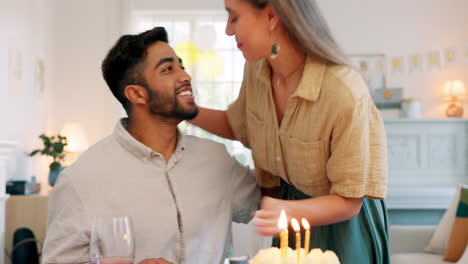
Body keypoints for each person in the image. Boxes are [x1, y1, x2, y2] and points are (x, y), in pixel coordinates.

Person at [190, 0, 391, 263]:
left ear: (272, 16)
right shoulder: (256, 69)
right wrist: (186, 112)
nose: (228, 30)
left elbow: (349, 201)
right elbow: (240, 126)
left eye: (234, 17)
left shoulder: (342, 90)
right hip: (291, 225)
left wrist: (285, 210)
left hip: (343, 231)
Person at [41, 27, 259, 264]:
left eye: (181, 66)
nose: (185, 76)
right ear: (136, 94)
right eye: (168, 69)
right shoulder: (81, 180)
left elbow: (269, 202)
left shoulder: (215, 159)